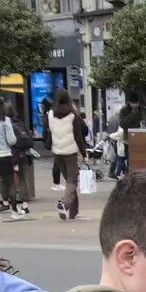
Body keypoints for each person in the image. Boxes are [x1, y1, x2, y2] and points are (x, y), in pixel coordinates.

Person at [47, 88, 87, 220]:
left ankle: (73, 211)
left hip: (57, 152)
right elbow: (78, 137)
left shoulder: (50, 114)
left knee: (69, 181)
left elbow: (46, 133)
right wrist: (84, 153)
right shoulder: (72, 115)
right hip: (70, 152)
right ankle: (64, 204)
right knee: (72, 181)